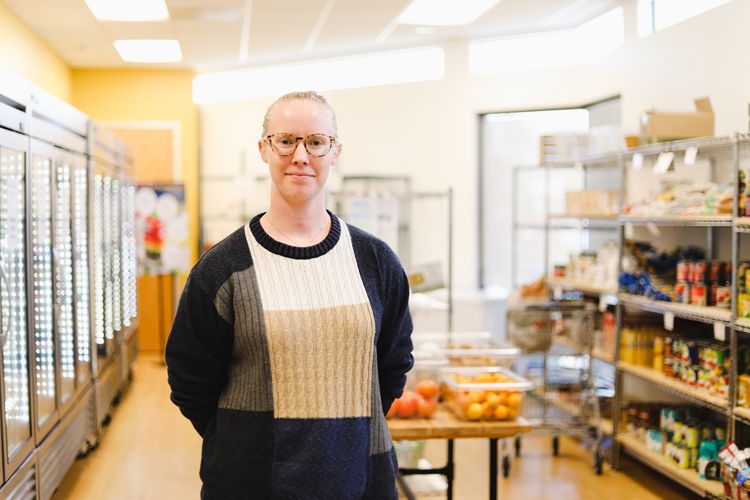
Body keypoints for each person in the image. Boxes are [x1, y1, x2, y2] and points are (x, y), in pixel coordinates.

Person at [165, 90, 414, 500]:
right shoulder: (222, 268)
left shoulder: (375, 261)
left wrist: (346, 433)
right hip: (249, 484)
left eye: (316, 142)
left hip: (360, 480)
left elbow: (393, 363)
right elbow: (190, 379)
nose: (301, 156)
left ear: (334, 152)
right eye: (286, 140)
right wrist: (245, 441)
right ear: (264, 149)